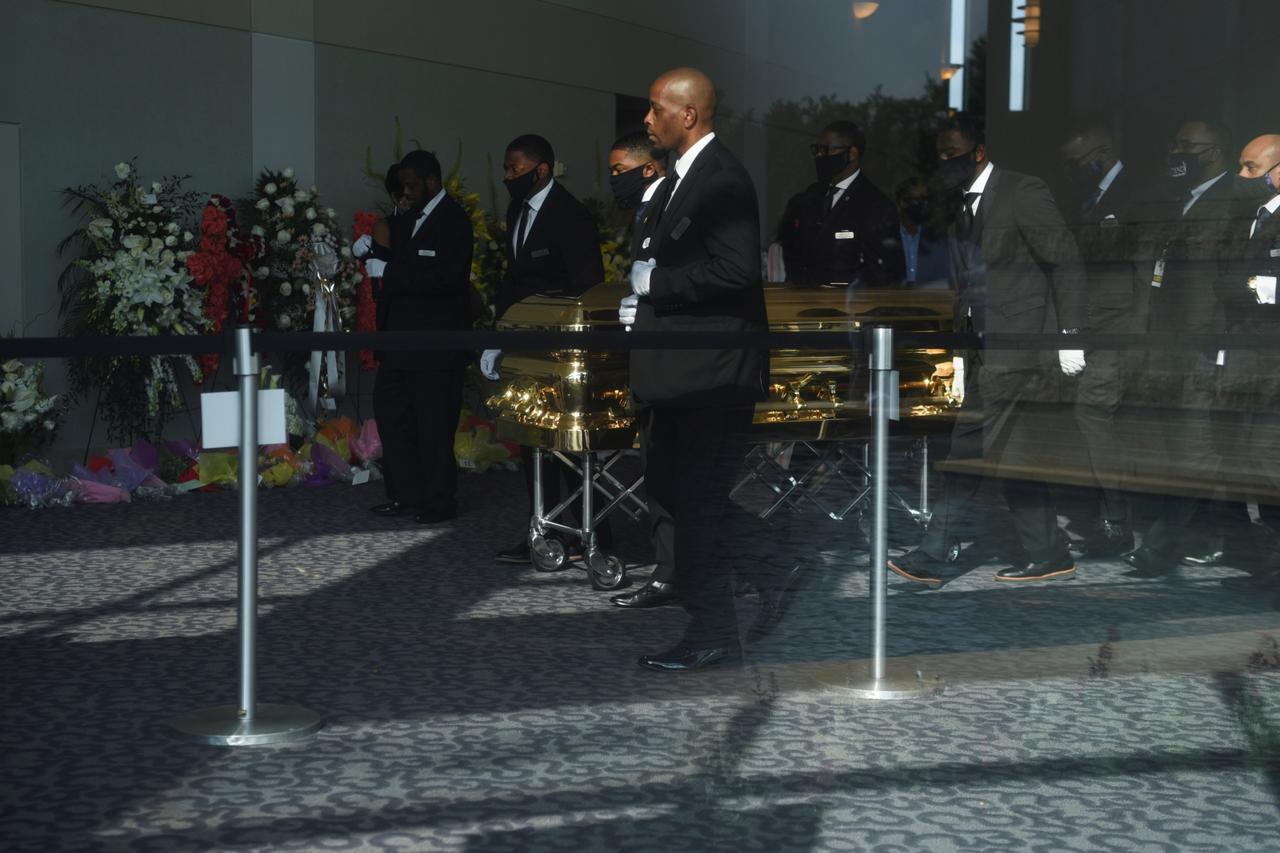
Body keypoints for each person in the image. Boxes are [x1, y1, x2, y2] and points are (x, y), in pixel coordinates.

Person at [887, 116, 1087, 585]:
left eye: (950, 154)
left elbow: (1066, 260)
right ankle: (1050, 552)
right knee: (1014, 453)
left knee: (967, 450)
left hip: (1021, 349)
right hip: (985, 350)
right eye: (937, 156)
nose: (943, 163)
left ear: (977, 152)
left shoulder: (1022, 191)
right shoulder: (961, 207)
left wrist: (1071, 334)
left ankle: (934, 555)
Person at [620, 67, 769, 671]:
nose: (648, 120)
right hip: (685, 370)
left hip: (713, 374)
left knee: (697, 504)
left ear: (688, 115)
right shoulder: (683, 177)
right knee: (677, 493)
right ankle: (775, 563)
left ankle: (714, 633)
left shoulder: (722, 178)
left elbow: (738, 270)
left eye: (657, 110)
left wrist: (661, 285)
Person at [480, 134, 606, 565]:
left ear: (542, 169)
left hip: (561, 349)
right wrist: (500, 335)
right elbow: (513, 279)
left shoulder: (571, 216)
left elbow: (588, 287)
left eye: (515, 168)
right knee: (533, 440)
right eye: (505, 167)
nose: (507, 176)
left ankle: (592, 530)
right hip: (524, 343)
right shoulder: (518, 210)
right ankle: (544, 529)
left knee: (569, 446)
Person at [1123, 119, 1241, 576]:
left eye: (1185, 146)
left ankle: (1161, 546)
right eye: (1174, 144)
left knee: (1195, 451)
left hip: (1203, 346)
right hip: (1171, 345)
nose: (1175, 153)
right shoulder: (1181, 200)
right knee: (1194, 450)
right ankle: (1240, 544)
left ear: (1213, 152)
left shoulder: (1228, 201)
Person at [360, 149, 474, 524]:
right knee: (393, 419)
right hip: (398, 343)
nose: (404, 192)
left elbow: (446, 279)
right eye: (400, 186)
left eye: (411, 184)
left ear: (432, 181)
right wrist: (371, 251)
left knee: (433, 425)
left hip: (437, 346)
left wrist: (388, 272)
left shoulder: (454, 221)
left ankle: (439, 501)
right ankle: (404, 494)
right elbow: (396, 261)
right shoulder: (408, 218)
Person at [1056, 121, 1146, 557]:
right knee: (1091, 422)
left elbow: (1144, 269)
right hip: (1090, 327)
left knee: (1095, 416)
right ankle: (1106, 516)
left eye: (1078, 161)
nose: (1073, 169)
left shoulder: (1137, 192)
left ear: (1102, 152)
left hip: (1119, 330)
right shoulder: (1085, 198)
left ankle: (1117, 522)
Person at [604, 131, 678, 609]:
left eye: (618, 171)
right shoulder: (647, 206)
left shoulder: (668, 202)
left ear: (647, 168)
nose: (614, 181)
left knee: (671, 471)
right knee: (661, 469)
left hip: (672, 358)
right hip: (654, 350)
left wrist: (647, 300)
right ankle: (670, 567)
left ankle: (673, 570)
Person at [1211, 133, 1280, 597]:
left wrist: (1251, 286)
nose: (1241, 176)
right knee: (1254, 466)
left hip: (1272, 363)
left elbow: (1248, 286)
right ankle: (1271, 568)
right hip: (1246, 360)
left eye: (1251, 169)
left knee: (1268, 464)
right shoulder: (1252, 219)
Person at [775, 120, 903, 287]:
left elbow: (883, 273)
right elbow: (792, 248)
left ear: (852, 154)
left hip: (845, 308)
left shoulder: (875, 205)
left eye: (826, 150)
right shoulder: (811, 195)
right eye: (816, 150)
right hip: (800, 303)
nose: (819, 156)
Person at [895, 176, 951, 288]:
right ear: (903, 202)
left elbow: (948, 281)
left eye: (926, 200)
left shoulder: (937, 241)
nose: (923, 205)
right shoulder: (889, 239)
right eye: (917, 199)